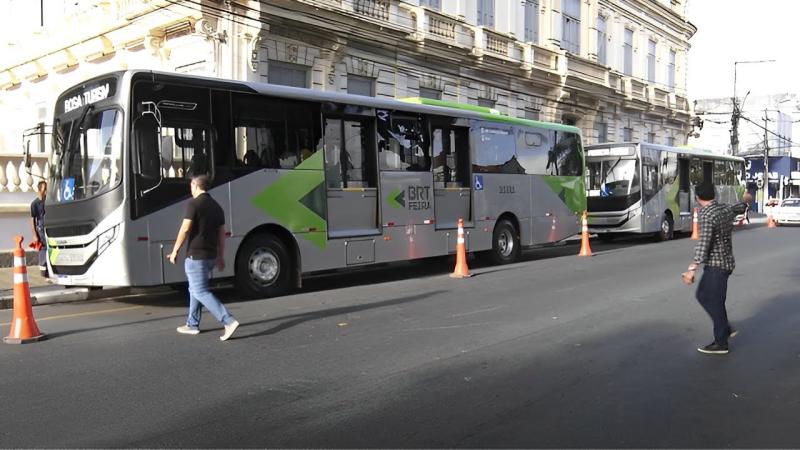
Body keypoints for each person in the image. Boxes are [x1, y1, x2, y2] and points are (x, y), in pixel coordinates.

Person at [167, 175, 239, 341]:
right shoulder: (216, 206)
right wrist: (220, 256)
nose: (190, 189)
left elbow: (185, 229)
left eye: (190, 185)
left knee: (200, 290)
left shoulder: (194, 203)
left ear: (195, 185)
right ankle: (192, 324)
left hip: (196, 256)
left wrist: (175, 250)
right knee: (194, 289)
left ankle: (228, 320)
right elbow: (222, 234)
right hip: (210, 256)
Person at [682, 182, 749, 355]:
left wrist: (692, 268)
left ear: (697, 197)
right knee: (704, 296)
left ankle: (721, 341)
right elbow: (739, 207)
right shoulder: (723, 208)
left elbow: (704, 242)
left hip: (717, 265)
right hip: (725, 262)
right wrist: (746, 200)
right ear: (714, 195)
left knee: (713, 301)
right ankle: (724, 329)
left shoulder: (706, 214)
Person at [30, 180, 47, 277]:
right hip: (40, 227)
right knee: (43, 248)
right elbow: (32, 220)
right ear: (40, 190)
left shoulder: (47, 202)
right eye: (44, 190)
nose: (46, 192)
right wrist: (34, 235)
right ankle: (43, 271)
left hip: (47, 225)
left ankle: (49, 270)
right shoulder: (34, 204)